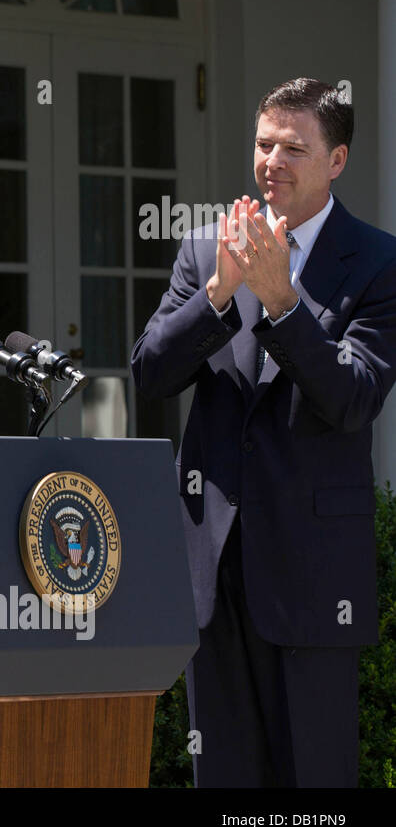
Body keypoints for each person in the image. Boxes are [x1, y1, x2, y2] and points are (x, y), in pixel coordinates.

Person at [132, 79, 396, 786]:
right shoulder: (202, 248)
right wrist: (219, 292)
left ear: (336, 160)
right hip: (211, 573)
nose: (272, 160)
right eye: (263, 143)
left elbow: (353, 399)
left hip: (312, 579)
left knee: (311, 789)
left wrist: (282, 302)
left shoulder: (377, 261)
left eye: (294, 147)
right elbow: (150, 375)